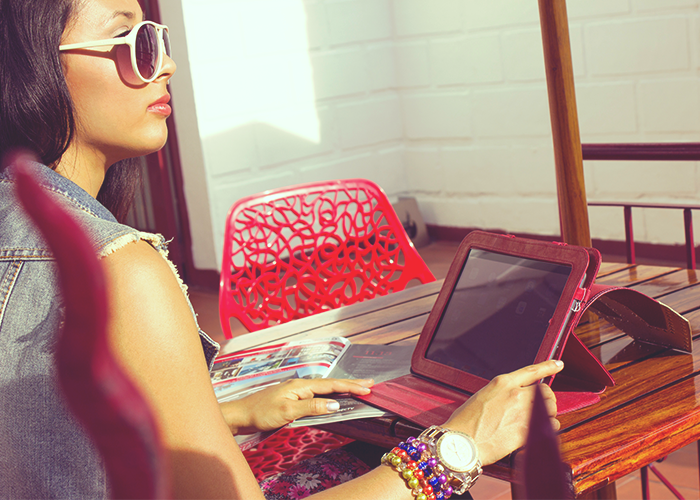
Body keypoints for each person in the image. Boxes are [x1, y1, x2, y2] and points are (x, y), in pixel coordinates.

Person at [0, 0, 564, 499]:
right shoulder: (119, 271)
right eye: (134, 42)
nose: (165, 65)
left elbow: (39, 438)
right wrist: (457, 448)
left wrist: (226, 415)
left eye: (160, 41)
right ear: (31, 67)